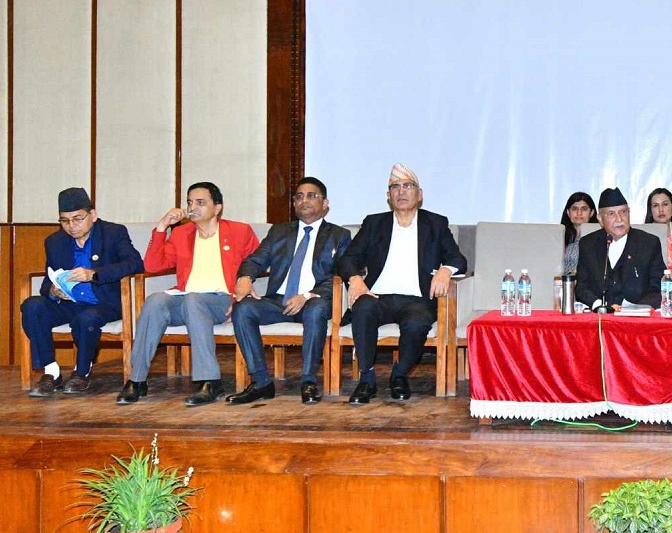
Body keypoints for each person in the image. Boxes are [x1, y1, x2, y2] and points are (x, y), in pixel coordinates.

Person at [117, 182, 259, 406]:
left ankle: (210, 381)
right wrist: (162, 227)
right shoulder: (181, 233)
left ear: (218, 207)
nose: (193, 207)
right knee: (155, 301)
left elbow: (257, 262)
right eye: (190, 202)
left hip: (222, 300)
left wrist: (244, 287)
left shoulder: (240, 231)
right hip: (185, 299)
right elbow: (153, 265)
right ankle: (137, 379)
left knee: (194, 300)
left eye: (200, 202)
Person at [338, 163, 466, 404]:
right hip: (378, 297)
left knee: (417, 322)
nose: (401, 191)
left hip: (417, 300)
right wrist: (355, 279)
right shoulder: (374, 223)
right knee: (362, 308)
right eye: (395, 187)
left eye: (408, 186)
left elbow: (458, 259)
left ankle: (399, 374)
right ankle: (367, 378)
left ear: (419, 194)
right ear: (388, 196)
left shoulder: (435, 224)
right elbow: (348, 258)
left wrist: (445, 271)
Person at [227, 177, 352, 406]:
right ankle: (261, 382)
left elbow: (341, 274)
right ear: (294, 203)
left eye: (312, 195)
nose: (304, 200)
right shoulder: (279, 232)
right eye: (299, 196)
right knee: (242, 308)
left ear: (325, 203)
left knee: (315, 310)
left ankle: (308, 381)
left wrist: (306, 296)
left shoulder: (339, 235)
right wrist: (245, 278)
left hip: (313, 300)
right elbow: (255, 260)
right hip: (278, 301)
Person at [22, 188, 144, 397]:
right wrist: (53, 291)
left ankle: (81, 372)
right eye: (65, 221)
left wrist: (94, 274)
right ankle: (51, 372)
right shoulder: (55, 241)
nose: (71, 226)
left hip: (103, 303)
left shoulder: (113, 233)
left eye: (77, 219)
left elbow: (135, 263)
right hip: (69, 303)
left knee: (86, 318)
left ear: (92, 215)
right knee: (32, 306)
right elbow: (47, 280)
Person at [575, 187, 665, 311]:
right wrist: (600, 305)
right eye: (611, 214)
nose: (619, 219)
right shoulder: (587, 244)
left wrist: (635, 309)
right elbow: (581, 287)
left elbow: (659, 287)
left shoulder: (649, 243)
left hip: (637, 316)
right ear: (600, 219)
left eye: (623, 212)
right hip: (600, 315)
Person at [644, 187, 672, 270]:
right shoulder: (641, 235)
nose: (661, 210)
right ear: (650, 211)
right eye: (655, 205)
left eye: (665, 204)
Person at [560, 192, 597, 276]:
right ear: (568, 212)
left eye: (584, 209)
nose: (579, 213)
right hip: (563, 281)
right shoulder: (559, 237)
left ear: (591, 213)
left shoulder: (601, 237)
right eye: (574, 209)